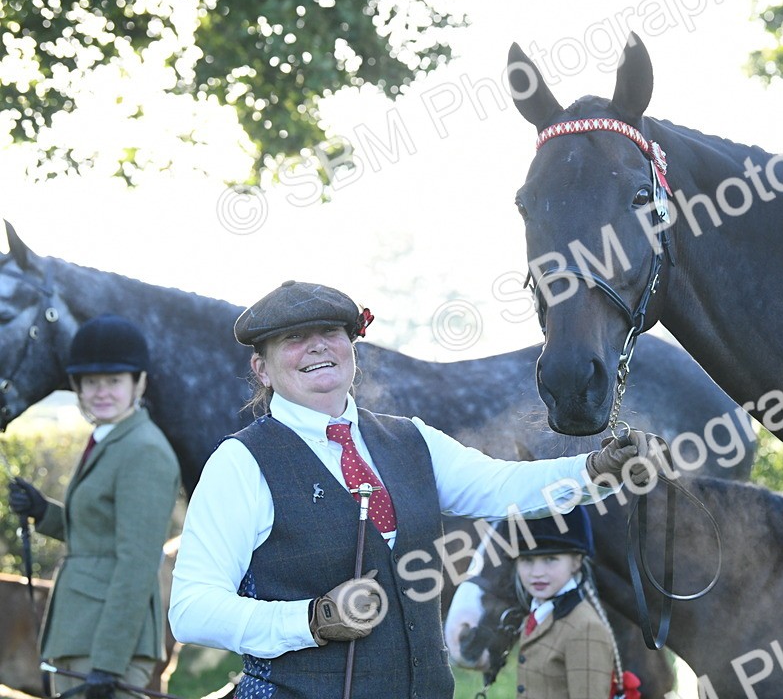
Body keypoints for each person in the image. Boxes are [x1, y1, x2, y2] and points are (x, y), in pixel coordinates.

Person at [168, 280, 663, 699]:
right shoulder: (240, 463)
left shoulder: (411, 438)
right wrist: (311, 621)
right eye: (294, 338)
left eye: (330, 333)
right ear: (262, 368)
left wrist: (597, 469)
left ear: (351, 349)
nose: (317, 346)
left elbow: (501, 486)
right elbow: (191, 611)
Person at [7, 314, 182, 699]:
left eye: (114, 381)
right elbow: (99, 531)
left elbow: (136, 563)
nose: (101, 392)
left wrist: (108, 661)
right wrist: (44, 512)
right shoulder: (108, 439)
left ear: (139, 383)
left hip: (107, 645)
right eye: (91, 382)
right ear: (78, 388)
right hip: (79, 633)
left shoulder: (144, 451)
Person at [513, 507, 640, 699]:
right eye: (527, 560)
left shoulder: (585, 628)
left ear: (576, 562)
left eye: (550, 559)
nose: (537, 572)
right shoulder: (537, 616)